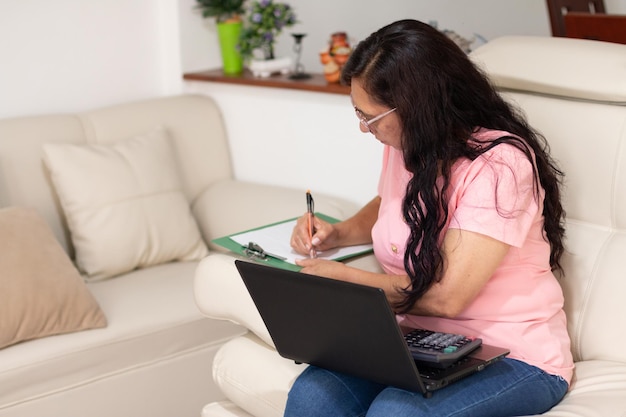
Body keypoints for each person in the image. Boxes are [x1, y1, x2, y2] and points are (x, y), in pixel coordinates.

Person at [286, 19, 573, 417]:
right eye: (357, 112)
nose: (362, 128)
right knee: (312, 395)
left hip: (512, 353)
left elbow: (448, 296)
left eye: (369, 117)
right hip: (415, 342)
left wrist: (348, 282)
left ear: (417, 105)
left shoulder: (501, 165)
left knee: (396, 413)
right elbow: (391, 200)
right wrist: (338, 234)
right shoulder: (407, 144)